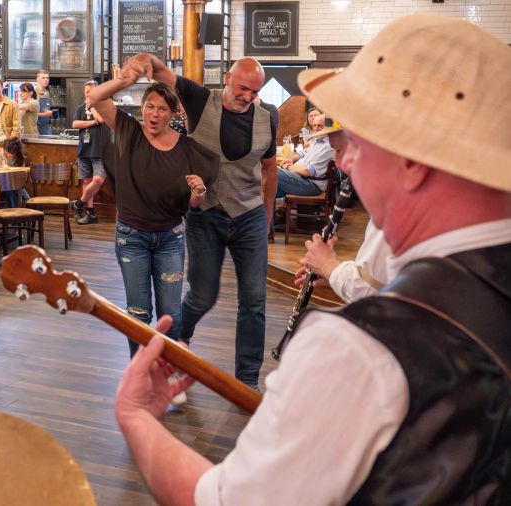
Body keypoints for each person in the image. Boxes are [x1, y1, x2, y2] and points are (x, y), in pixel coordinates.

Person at [114, 14, 511, 505]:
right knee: (207, 293)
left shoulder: (360, 350)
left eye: (358, 143)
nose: (343, 160)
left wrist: (134, 416)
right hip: (213, 217)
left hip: (246, 221)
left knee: (250, 300)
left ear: (411, 163)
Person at [122, 54, 277, 390]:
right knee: (203, 295)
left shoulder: (268, 119)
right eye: (242, 88)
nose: (247, 96)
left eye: (254, 91)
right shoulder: (199, 100)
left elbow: (270, 170)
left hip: (248, 214)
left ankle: (246, 380)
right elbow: (162, 73)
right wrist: (144, 60)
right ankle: (181, 336)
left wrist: (265, 221)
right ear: (227, 78)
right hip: (206, 214)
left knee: (254, 298)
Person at [89, 73, 218, 361]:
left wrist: (198, 193)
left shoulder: (187, 148)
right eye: (149, 106)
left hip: (170, 238)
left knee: (171, 313)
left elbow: (194, 205)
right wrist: (126, 78)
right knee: (138, 312)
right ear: (142, 107)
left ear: (173, 113)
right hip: (131, 237)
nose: (154, 114)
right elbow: (96, 97)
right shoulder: (129, 131)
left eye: (162, 109)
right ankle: (140, 372)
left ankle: (168, 370)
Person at [294, 122, 389, 303]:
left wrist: (329, 266)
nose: (338, 164)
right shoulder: (386, 206)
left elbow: (369, 290)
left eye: (338, 150)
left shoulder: (395, 212)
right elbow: (377, 279)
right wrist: (333, 274)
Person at [68, 80, 109, 225]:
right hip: (84, 150)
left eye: (92, 91)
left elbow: (102, 120)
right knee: (86, 180)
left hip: (100, 151)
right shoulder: (80, 108)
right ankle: (90, 212)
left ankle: (78, 203)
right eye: (87, 92)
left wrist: (92, 108)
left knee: (98, 180)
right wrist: (92, 123)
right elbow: (74, 124)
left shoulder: (104, 106)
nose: (89, 94)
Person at [275, 114, 334, 198]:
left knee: (271, 171)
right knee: (270, 184)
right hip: (301, 178)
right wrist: (291, 159)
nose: (316, 129)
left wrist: (288, 167)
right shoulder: (317, 141)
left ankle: (265, 207)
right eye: (314, 125)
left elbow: (307, 171)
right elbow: (303, 152)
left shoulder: (329, 147)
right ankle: (267, 208)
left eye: (320, 126)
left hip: (312, 185)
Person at [35, 70, 53, 135]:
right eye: (43, 78)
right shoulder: (34, 93)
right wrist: (44, 114)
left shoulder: (47, 93)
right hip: (37, 129)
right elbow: (31, 114)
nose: (46, 80)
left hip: (46, 127)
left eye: (47, 78)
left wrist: (48, 113)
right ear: (37, 80)